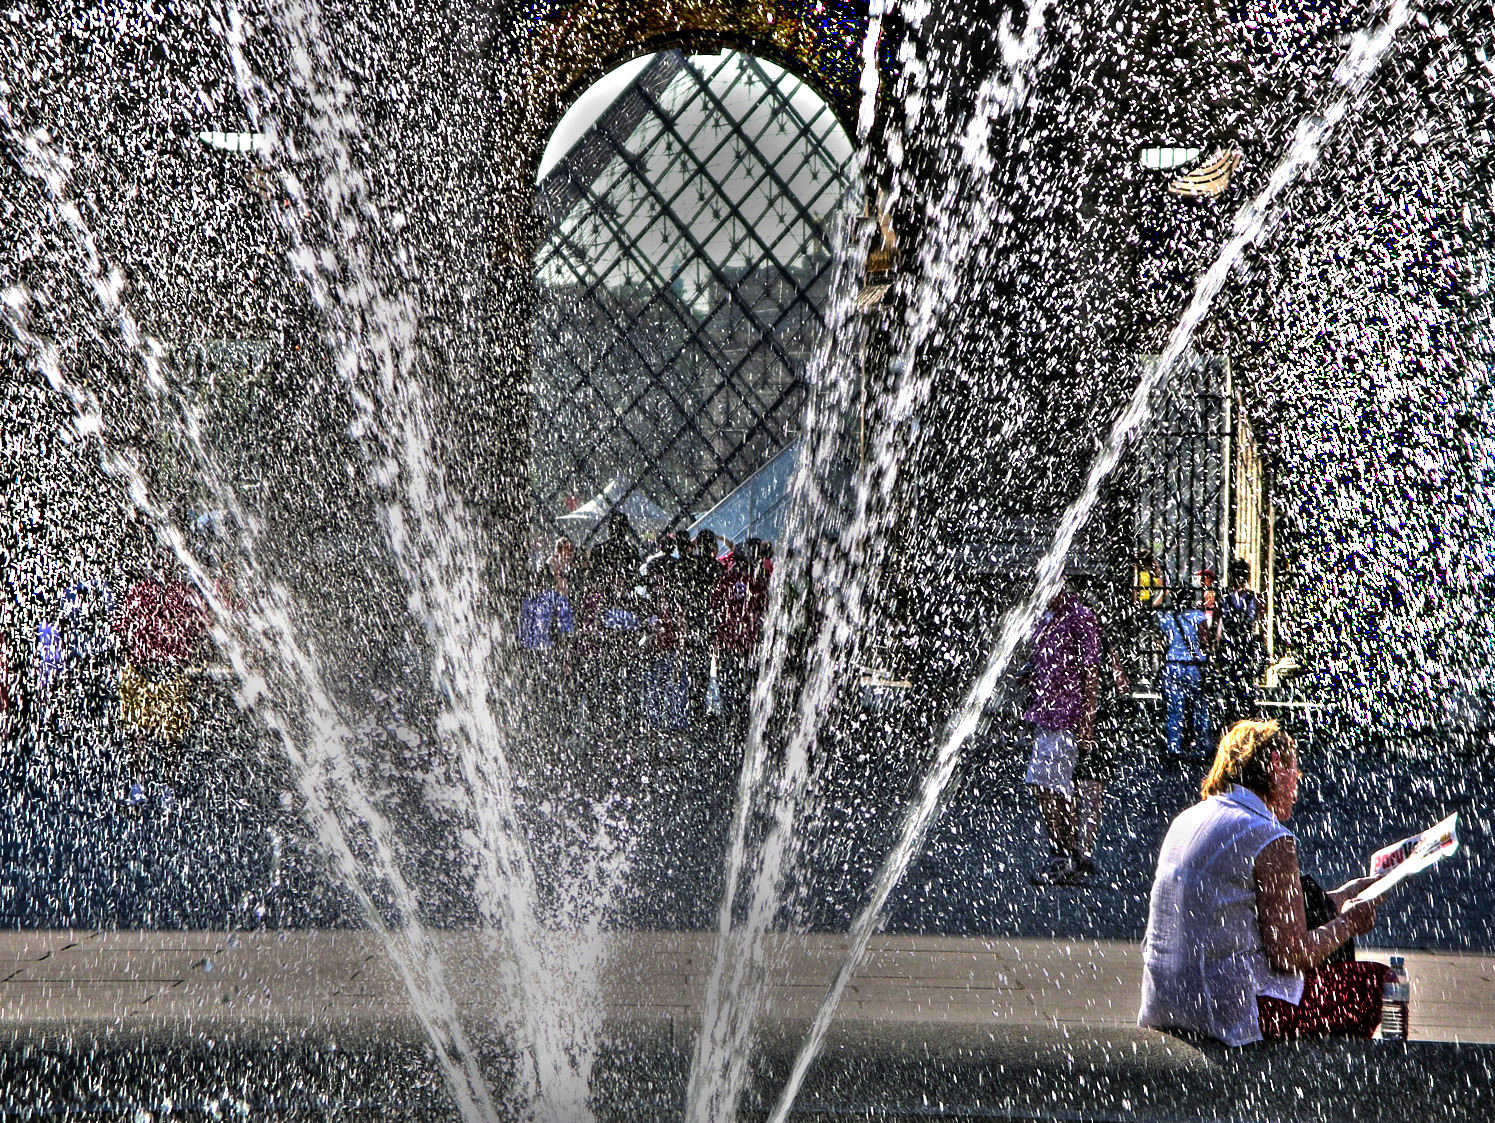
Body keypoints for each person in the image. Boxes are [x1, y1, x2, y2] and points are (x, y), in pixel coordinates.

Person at [1139, 720, 1387, 1045]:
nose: (1297, 782)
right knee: (1373, 984)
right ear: (1274, 765)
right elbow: (1290, 954)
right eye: (1294, 769)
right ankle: (1312, 1086)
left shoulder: (1187, 819)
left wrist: (1341, 898)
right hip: (1228, 1008)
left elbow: (1241, 910)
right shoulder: (1268, 835)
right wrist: (1348, 924)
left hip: (1165, 1000)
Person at [1022, 574, 1101, 885]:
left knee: (1057, 788)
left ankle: (1066, 856)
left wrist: (1086, 724)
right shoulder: (1046, 619)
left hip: (1067, 718)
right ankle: (1062, 852)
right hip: (1045, 716)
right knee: (1043, 786)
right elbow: (1042, 660)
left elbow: (1091, 674)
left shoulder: (1081, 618)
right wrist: (1030, 676)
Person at [1156, 584, 1211, 759]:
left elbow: (1155, 621)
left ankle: (1174, 746)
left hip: (1172, 665)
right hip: (1193, 666)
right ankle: (1202, 745)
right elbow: (1205, 640)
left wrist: (1163, 595)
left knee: (1175, 709)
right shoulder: (1198, 617)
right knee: (1199, 707)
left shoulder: (1169, 618)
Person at [1218, 558, 1266, 725]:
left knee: (1232, 686)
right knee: (1244, 686)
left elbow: (1219, 625)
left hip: (1232, 644)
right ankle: (1244, 720)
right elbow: (1260, 625)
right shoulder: (1254, 598)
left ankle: (1234, 721)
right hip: (1243, 644)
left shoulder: (1225, 597)